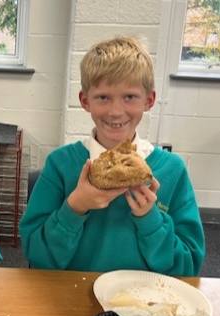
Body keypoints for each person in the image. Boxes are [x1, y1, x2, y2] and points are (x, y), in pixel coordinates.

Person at [19, 36, 205, 276]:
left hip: (146, 305)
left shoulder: (172, 171)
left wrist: (150, 219)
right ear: (85, 101)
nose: (116, 112)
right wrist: (75, 207)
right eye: (103, 97)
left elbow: (188, 266)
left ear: (149, 100)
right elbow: (36, 255)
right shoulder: (61, 164)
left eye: (129, 97)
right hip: (69, 300)